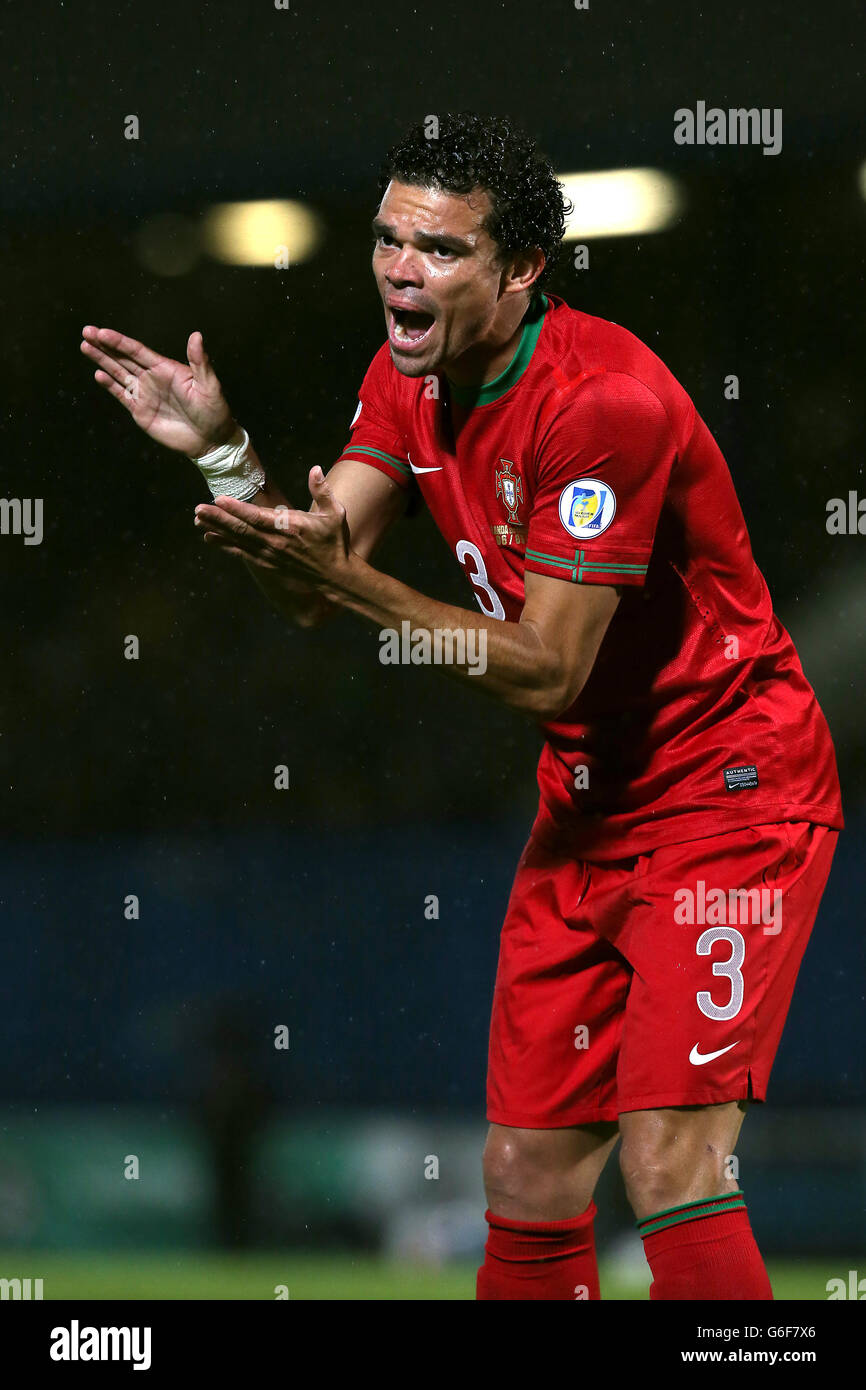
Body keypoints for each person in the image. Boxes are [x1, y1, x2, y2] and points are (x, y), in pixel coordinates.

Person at [81, 112, 843, 1300]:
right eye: (388, 238)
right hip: (586, 807)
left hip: (727, 797)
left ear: (519, 268)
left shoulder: (602, 406)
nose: (399, 267)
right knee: (526, 1171)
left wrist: (345, 578)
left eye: (438, 248)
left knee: (669, 1159)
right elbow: (314, 584)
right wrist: (227, 459)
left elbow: (545, 668)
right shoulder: (402, 376)